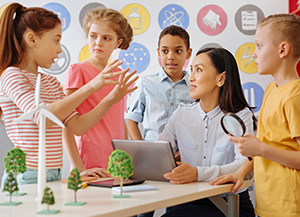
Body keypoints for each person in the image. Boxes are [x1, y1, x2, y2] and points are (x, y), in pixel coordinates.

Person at [0, 3, 137, 187]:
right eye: (56, 40)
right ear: (32, 40)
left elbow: (77, 126)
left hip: (54, 172)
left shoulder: (51, 82)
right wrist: (93, 86)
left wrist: (110, 99)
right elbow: (43, 118)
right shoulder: (12, 75)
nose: (59, 49)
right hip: (27, 173)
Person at [210, 14, 300, 217]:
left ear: (283, 49)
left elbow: (265, 149)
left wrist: (261, 148)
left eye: (259, 46)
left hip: (290, 207)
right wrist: (239, 173)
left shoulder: (295, 96)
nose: (253, 54)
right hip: (269, 205)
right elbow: (267, 146)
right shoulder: (271, 90)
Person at [159, 48, 255, 217]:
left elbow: (245, 165)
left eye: (199, 70)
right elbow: (157, 152)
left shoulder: (241, 116)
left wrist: (197, 174)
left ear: (221, 78)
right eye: (191, 70)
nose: (191, 77)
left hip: (231, 204)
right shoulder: (181, 114)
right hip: (188, 202)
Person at [63, 7, 134, 178]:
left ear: (118, 42)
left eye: (106, 38)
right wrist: (79, 168)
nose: (98, 43)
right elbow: (65, 125)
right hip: (89, 164)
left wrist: (124, 156)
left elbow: (118, 121)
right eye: (93, 36)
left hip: (116, 164)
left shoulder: (118, 74)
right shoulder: (78, 71)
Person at [126, 25, 194, 142]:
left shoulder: (195, 87)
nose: (170, 57)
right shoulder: (145, 83)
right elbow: (132, 120)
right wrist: (143, 148)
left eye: (178, 51)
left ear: (188, 53)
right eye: (165, 51)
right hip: (151, 154)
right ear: (158, 52)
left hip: (186, 156)